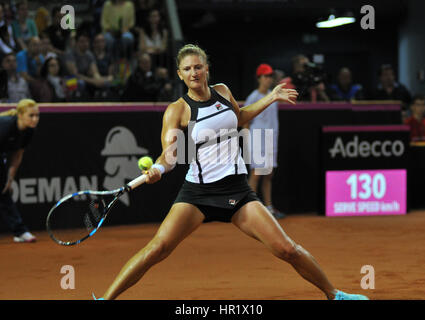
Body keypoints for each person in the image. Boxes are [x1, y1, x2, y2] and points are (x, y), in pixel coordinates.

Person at [94, 44, 368, 300]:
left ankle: (336, 295)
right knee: (157, 249)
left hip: (237, 192)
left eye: (198, 67)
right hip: (197, 194)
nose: (194, 73)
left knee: (287, 249)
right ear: (179, 73)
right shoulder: (176, 110)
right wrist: (156, 169)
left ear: (207, 68)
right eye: (187, 69)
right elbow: (170, 155)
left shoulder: (222, 91)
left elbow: (239, 118)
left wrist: (271, 97)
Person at [245, 63, 285, 219]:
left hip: (271, 139)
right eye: (266, 76)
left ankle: (268, 208)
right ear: (259, 78)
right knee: (256, 174)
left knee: (268, 174)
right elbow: (245, 121)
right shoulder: (253, 97)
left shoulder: (273, 95)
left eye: (270, 76)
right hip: (257, 139)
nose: (269, 79)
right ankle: (248, 208)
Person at [0, 98, 39, 243]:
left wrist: (9, 179)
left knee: (3, 192)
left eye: (37, 115)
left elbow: (17, 155)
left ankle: (20, 232)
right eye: (31, 115)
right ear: (20, 115)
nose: (35, 119)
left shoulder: (29, 131)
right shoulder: (5, 126)